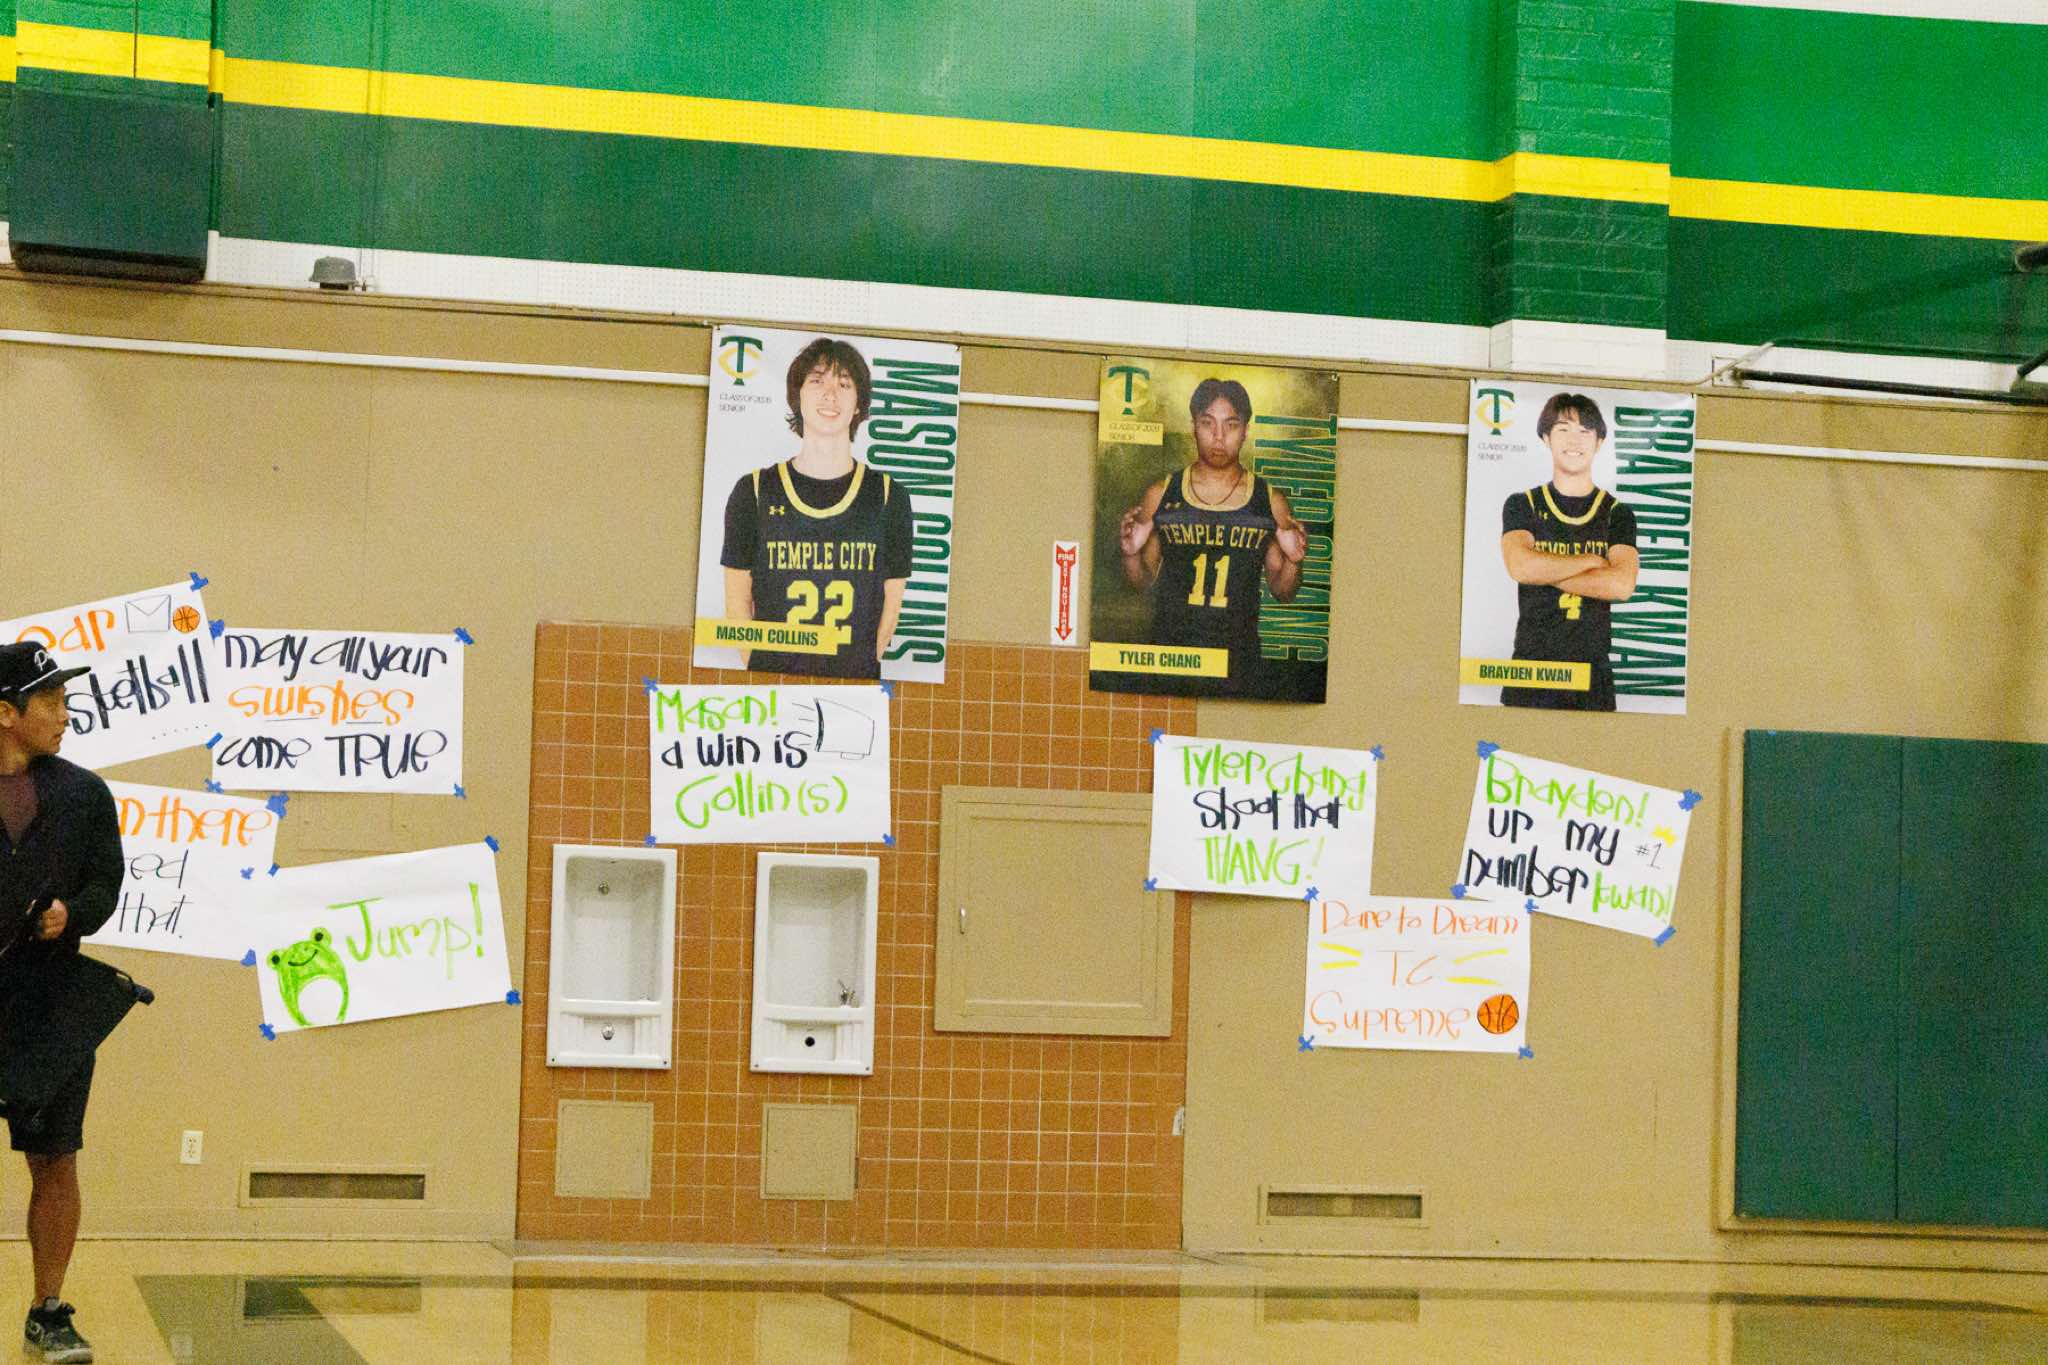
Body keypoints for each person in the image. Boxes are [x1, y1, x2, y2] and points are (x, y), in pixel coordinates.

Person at [0, 641, 122, 1363]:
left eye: (65, 700)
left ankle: (48, 1310)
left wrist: (70, 913)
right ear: (5, 713)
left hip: (50, 1007)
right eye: (50, 701)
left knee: (55, 1158)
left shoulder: (84, 795)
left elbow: (106, 886)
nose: (65, 715)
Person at [718, 338, 915, 679]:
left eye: (844, 384)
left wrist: (856, 670)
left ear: (859, 404)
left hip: (851, 688)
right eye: (817, 381)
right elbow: (736, 605)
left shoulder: (888, 496)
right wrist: (762, 670)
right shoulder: (753, 492)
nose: (830, 395)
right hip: (774, 685)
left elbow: (891, 609)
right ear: (798, 396)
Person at [1116, 378, 1307, 693]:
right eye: (1208, 423)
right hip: (1172, 657)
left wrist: (1294, 561)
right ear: (1194, 426)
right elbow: (1141, 583)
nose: (1219, 437)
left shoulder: (1269, 500)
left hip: (1238, 661)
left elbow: (1283, 591)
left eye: (1230, 425)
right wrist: (1131, 555)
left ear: (1245, 430)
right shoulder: (1161, 493)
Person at [1497, 392, 1639, 711]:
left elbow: (1621, 585)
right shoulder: (1522, 504)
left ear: (1599, 442)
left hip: (1591, 675)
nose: (1574, 440)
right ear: (1546, 437)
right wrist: (1591, 562)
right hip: (1531, 669)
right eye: (1563, 429)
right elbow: (1520, 566)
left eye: (1585, 431)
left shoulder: (1617, 513)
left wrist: (1545, 572)